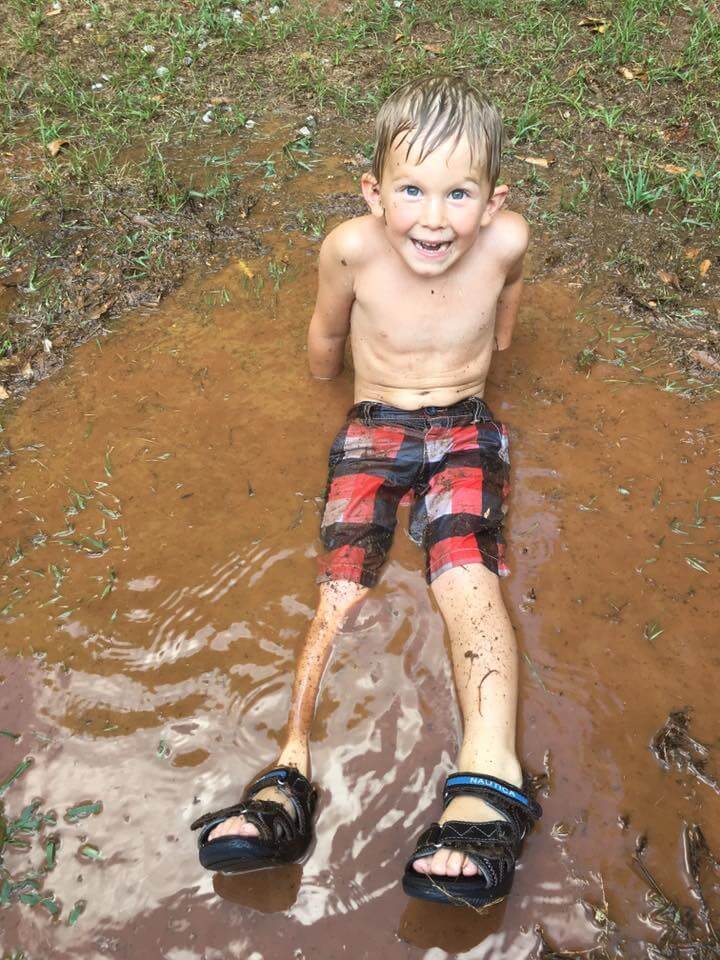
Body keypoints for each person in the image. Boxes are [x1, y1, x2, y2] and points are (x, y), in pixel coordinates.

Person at [191, 74, 541, 908]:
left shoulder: (506, 243)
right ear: (372, 190)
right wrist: (322, 396)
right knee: (341, 586)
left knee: (464, 574)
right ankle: (287, 775)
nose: (432, 218)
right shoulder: (351, 247)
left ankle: (490, 772)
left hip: (461, 424)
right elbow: (327, 330)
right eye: (411, 190)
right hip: (374, 424)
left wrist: (502, 345)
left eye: (458, 194)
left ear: (493, 200)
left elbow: (510, 299)